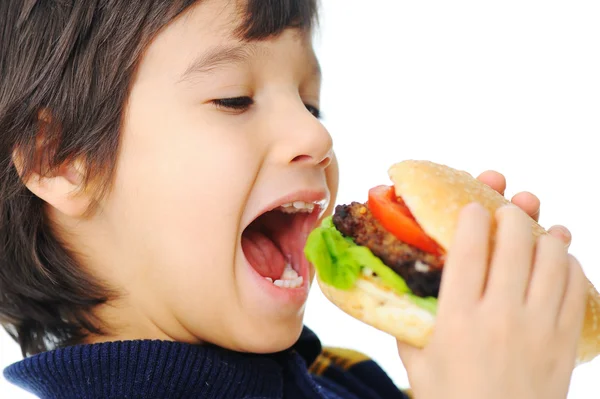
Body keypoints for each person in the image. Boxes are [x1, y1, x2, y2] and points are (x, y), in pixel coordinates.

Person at [0, 1, 585, 398]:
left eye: (311, 103)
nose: (317, 136)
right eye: (234, 99)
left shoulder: (338, 376)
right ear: (61, 159)